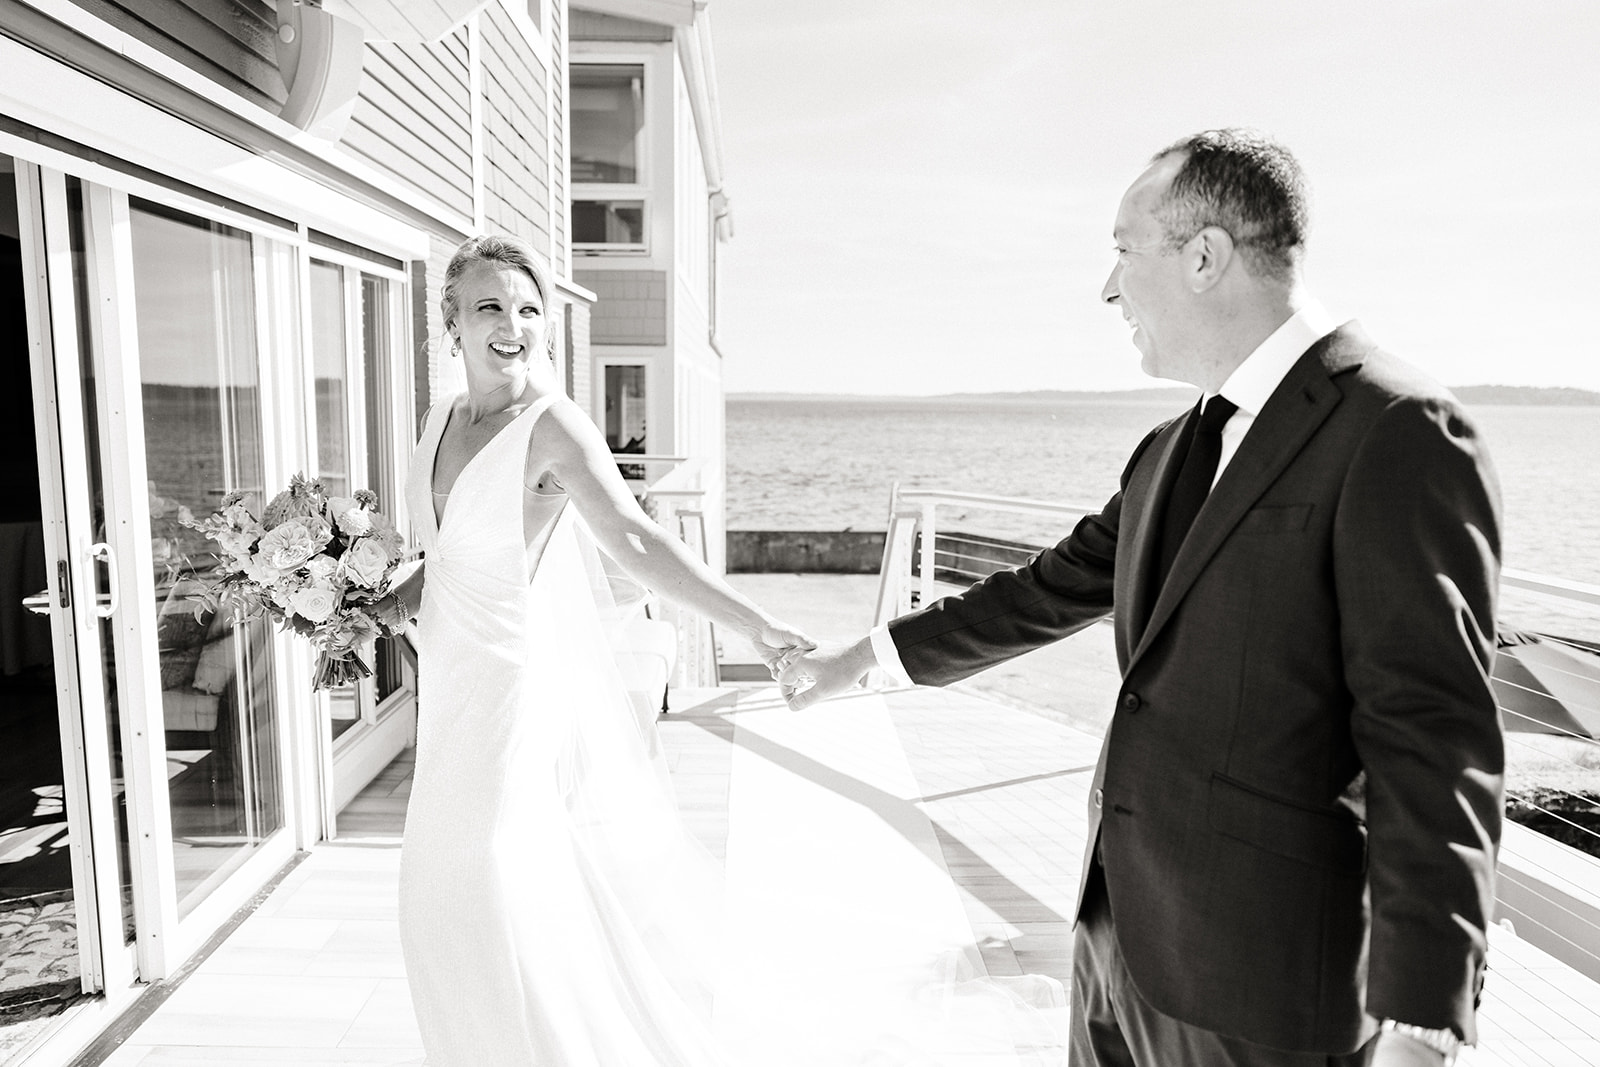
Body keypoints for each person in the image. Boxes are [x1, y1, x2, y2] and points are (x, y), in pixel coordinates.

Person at [779, 129, 1504, 1067]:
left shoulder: (1400, 430)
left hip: (1265, 992)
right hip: (1115, 954)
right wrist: (862, 659)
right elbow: (1046, 590)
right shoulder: (1168, 449)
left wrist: (1421, 1020)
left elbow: (1432, 734)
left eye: (1124, 251)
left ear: (1204, 255)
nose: (1109, 288)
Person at [375, 233, 810, 1064]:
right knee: (432, 895)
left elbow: (638, 544)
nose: (514, 325)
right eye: (491, 306)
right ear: (452, 323)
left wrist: (753, 622)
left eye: (530, 310)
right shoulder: (437, 422)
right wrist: (370, 605)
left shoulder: (553, 429)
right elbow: (447, 557)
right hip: (449, 697)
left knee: (486, 885)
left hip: (508, 695)